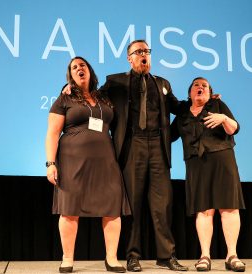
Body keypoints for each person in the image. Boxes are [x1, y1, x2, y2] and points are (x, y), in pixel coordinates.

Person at [99, 40, 188, 272]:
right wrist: (68, 90)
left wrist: (203, 101)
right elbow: (93, 99)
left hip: (158, 145)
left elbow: (177, 107)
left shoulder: (162, 83)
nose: (144, 55)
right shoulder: (115, 81)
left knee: (162, 204)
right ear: (129, 58)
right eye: (138, 52)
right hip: (132, 143)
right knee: (134, 203)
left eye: (146, 51)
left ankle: (166, 255)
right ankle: (132, 255)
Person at [45, 56, 131, 273]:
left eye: (82, 65)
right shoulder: (64, 98)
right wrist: (50, 163)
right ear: (70, 76)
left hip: (106, 161)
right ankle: (67, 258)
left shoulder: (104, 96)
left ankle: (111, 258)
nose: (78, 68)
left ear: (89, 70)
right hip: (72, 161)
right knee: (70, 209)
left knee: (112, 208)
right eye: (74, 67)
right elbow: (52, 134)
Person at [171, 77, 246, 272]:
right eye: (197, 85)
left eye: (204, 85)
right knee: (204, 209)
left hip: (222, 160)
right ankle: (205, 256)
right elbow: (168, 136)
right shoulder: (182, 113)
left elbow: (234, 128)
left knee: (229, 207)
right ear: (189, 92)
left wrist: (223, 118)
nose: (200, 87)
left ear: (210, 92)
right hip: (196, 164)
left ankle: (232, 255)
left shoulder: (218, 104)